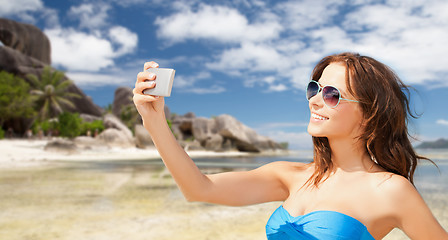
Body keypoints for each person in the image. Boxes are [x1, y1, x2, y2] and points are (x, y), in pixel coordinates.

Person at [133, 52, 448, 239]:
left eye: (332, 95)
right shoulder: (292, 176)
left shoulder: (391, 190)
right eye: (315, 88)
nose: (314, 100)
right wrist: (154, 121)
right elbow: (199, 189)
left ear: (369, 115)